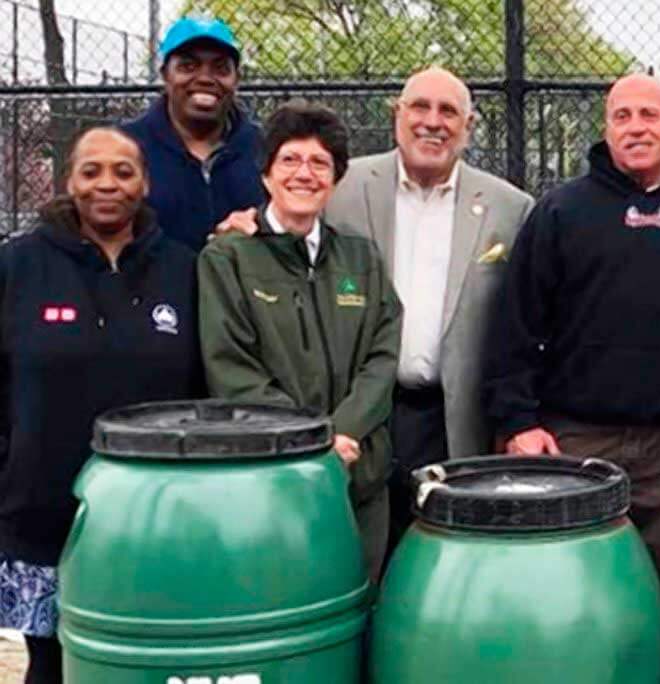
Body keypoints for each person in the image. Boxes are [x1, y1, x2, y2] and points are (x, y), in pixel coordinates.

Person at [485, 73, 660, 605]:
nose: (636, 127)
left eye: (649, 115)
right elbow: (515, 321)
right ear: (606, 129)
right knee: (573, 587)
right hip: (576, 436)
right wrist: (518, 421)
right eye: (622, 116)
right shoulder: (560, 210)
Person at [0, 127, 203, 683]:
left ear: (145, 183)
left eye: (123, 171)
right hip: (44, 514)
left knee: (143, 662)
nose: (106, 184)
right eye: (91, 171)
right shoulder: (18, 266)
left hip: (156, 517)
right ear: (70, 182)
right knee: (53, 663)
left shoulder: (184, 269)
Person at [322, 67, 534, 545]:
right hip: (361, 414)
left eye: (448, 111)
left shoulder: (510, 208)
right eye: (419, 107)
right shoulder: (341, 187)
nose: (432, 122)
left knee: (446, 556)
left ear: (469, 126)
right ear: (397, 113)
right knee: (360, 551)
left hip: (454, 419)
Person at [198, 100, 401, 583]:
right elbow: (232, 368)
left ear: (335, 179)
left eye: (320, 163)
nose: (304, 173)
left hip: (359, 478)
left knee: (359, 612)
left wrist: (346, 432)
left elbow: (383, 352)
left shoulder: (360, 257)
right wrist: (312, 441)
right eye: (290, 159)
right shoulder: (227, 258)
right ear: (266, 174)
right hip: (275, 478)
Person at [122, 15, 263, 252]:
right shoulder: (125, 146)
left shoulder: (265, 147)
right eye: (188, 66)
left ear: (236, 79)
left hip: (243, 288)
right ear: (165, 75)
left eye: (220, 68)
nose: (205, 78)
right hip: (150, 288)